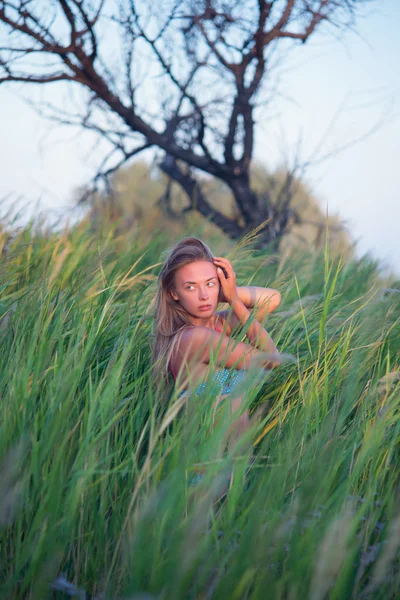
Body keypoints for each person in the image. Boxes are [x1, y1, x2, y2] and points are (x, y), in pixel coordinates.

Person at [152, 237, 284, 483]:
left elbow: (272, 299)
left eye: (209, 284)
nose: (203, 296)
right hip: (209, 479)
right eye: (190, 287)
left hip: (233, 472)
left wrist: (227, 293)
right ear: (174, 294)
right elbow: (272, 359)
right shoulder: (195, 339)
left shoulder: (218, 326)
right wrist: (233, 300)